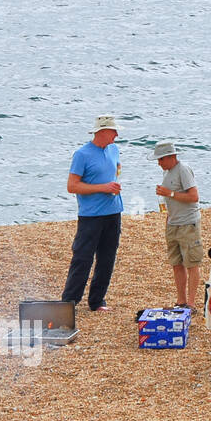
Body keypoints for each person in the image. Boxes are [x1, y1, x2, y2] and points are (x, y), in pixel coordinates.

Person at [61, 115, 124, 312]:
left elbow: (116, 168)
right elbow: (72, 186)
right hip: (91, 215)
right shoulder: (82, 154)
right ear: (102, 132)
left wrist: (113, 182)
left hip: (113, 211)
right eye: (114, 131)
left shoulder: (114, 149)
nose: (117, 134)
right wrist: (103, 187)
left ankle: (97, 301)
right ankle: (69, 301)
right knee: (83, 257)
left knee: (107, 257)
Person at [153, 141, 202, 311]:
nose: (159, 163)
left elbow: (194, 196)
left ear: (171, 157)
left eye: (160, 159)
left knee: (191, 263)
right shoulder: (168, 172)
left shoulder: (183, 170)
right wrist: (168, 217)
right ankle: (181, 301)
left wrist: (170, 193)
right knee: (177, 263)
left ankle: (191, 303)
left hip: (188, 223)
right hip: (173, 223)